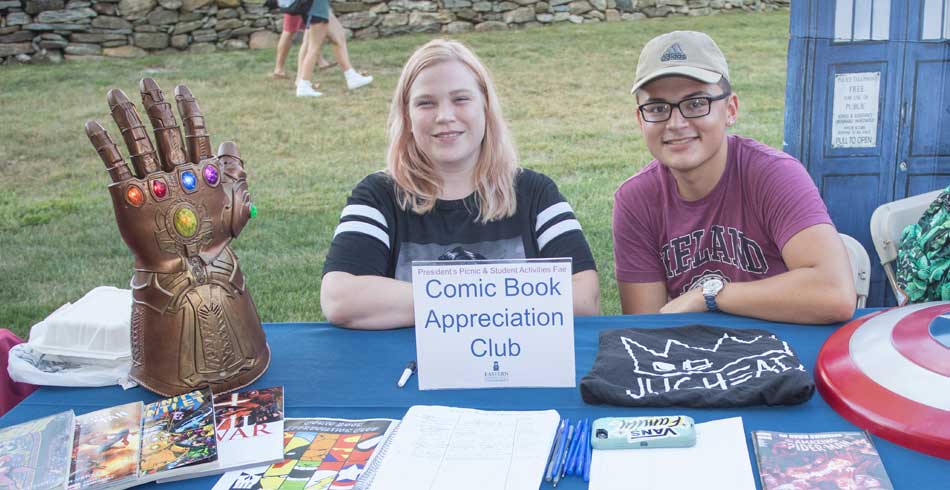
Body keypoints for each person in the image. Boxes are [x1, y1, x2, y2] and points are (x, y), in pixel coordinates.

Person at [321, 39, 600, 329]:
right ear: (407, 116)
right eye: (426, 103)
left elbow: (583, 297)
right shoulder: (377, 196)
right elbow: (340, 298)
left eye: (461, 99)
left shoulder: (536, 193)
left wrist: (440, 302)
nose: (445, 116)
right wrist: (502, 300)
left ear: (486, 107)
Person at [612, 31, 855, 324]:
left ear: (730, 110)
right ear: (641, 119)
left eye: (696, 103)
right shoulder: (636, 200)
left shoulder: (773, 175)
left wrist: (708, 296)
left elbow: (835, 294)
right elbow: (646, 327)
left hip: (780, 346)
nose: (676, 123)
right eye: (658, 108)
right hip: (693, 357)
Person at [295, 1, 373, 97]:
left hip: (320, 7)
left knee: (338, 36)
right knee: (314, 47)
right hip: (317, 8)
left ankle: (351, 76)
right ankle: (303, 85)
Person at [272, 13, 335, 81]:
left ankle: (320, 61)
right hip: (298, 4)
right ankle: (279, 69)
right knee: (289, 30)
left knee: (310, 28)